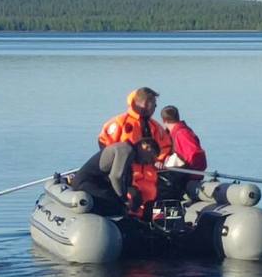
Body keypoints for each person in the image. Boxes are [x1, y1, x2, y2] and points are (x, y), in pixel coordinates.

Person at [98, 88, 172, 219]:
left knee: (151, 209)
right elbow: (105, 144)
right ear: (145, 103)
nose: (155, 107)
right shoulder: (120, 123)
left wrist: (158, 160)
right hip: (127, 177)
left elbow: (166, 145)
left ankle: (150, 229)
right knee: (131, 207)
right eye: (154, 104)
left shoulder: (154, 126)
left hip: (150, 180)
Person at [72, 138, 160, 217]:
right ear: (145, 146)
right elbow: (116, 177)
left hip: (96, 183)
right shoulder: (126, 150)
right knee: (117, 206)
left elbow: (123, 182)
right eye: (151, 158)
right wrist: (123, 200)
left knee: (121, 205)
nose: (149, 162)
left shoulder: (130, 158)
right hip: (85, 183)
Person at [159, 105, 208, 198]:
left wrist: (191, 175)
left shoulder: (182, 134)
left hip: (185, 176)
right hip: (181, 174)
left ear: (164, 121)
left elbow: (196, 155)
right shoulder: (173, 134)